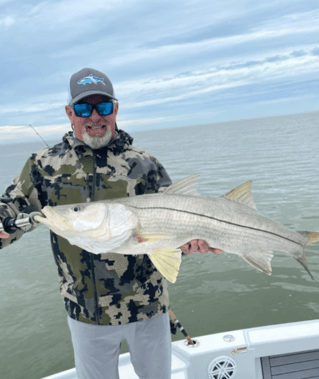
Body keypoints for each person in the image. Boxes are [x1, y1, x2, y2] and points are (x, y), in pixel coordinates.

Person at [0, 68, 221, 379]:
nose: (94, 117)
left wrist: (188, 244)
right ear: (69, 112)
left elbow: (172, 225)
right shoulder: (44, 165)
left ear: (115, 109)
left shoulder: (145, 164)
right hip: (85, 313)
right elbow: (9, 208)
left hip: (149, 305)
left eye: (103, 107)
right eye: (82, 108)